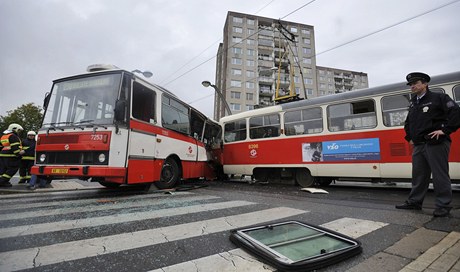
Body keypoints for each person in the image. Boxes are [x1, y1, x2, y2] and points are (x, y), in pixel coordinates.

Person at [395, 72, 460, 217]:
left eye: (416, 83)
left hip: (435, 143)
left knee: (439, 175)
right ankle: (414, 202)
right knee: (419, 175)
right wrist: (409, 137)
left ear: (425, 84)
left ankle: (443, 206)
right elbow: (408, 122)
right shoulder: (413, 102)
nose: (413, 86)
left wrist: (445, 130)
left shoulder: (439, 98)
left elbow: (456, 112)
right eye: (411, 84)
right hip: (419, 144)